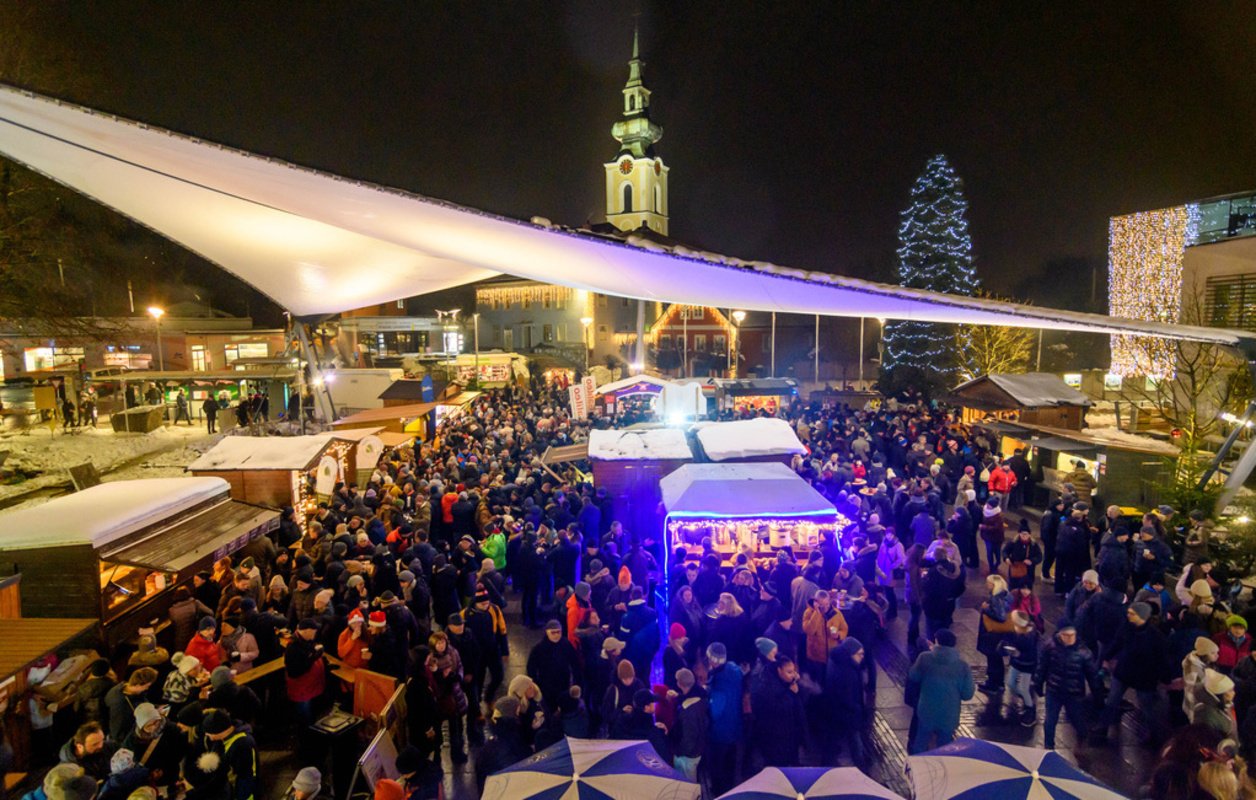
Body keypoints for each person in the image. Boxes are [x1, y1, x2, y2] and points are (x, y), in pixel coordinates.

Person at [1098, 601, 1171, 746]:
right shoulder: (1127, 627)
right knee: (1112, 700)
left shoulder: (1155, 636)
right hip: (1125, 671)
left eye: (1132, 614)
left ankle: (1153, 735)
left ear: (1142, 616)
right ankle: (1102, 728)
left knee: (1146, 707)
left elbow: (1162, 659)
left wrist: (1165, 678)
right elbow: (1117, 643)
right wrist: (1106, 657)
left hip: (1144, 676)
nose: (1128, 615)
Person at [1032, 623, 1100, 750]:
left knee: (1076, 719)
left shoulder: (1083, 651)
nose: (1070, 638)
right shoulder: (1050, 646)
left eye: (1072, 635)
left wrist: (1098, 697)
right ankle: (1048, 748)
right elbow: (1042, 668)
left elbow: (1092, 676)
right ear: (1060, 634)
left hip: (1073, 694)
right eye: (1066, 635)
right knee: (1050, 721)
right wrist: (1038, 685)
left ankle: (1083, 735)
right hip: (1054, 691)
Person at [906, 629, 975, 754]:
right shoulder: (963, 666)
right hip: (949, 714)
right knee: (944, 749)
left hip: (927, 710)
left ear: (936, 641)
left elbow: (913, 676)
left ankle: (916, 767)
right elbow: (967, 694)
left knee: (920, 743)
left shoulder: (924, 658)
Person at [822, 637, 869, 770]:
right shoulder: (847, 672)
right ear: (850, 654)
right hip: (847, 715)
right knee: (855, 742)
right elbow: (849, 699)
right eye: (860, 654)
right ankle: (862, 769)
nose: (862, 657)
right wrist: (859, 711)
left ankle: (826, 763)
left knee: (833, 738)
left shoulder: (837, 661)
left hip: (836, 712)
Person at [751, 658, 807, 767]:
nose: (792, 675)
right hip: (775, 740)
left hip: (791, 737)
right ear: (779, 670)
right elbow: (777, 709)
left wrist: (798, 685)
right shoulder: (767, 686)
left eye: (794, 671)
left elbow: (801, 703)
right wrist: (791, 693)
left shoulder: (789, 682)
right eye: (789, 672)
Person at [526, 620, 581, 712]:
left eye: (558, 632)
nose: (556, 635)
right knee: (550, 708)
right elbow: (531, 668)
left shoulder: (566, 644)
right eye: (553, 632)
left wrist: (576, 680)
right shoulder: (539, 648)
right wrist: (536, 684)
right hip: (547, 686)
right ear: (547, 632)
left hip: (563, 683)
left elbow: (575, 662)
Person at [668, 668, 707, 781]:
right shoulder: (700, 695)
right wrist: (679, 696)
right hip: (698, 748)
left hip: (688, 756)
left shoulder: (687, 710)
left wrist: (678, 752)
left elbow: (688, 740)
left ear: (679, 684)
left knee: (687, 784)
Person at [976, 574, 1012, 695]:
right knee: (998, 659)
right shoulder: (1007, 596)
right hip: (1001, 634)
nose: (987, 585)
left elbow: (1000, 616)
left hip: (992, 635)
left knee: (992, 659)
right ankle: (1000, 684)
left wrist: (985, 609)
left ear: (994, 585)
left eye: (988, 583)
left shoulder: (995, 598)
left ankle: (992, 685)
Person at [801, 590, 847, 681]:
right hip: (816, 656)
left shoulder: (836, 613)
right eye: (822, 604)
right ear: (816, 603)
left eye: (827, 603)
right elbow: (809, 630)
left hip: (832, 655)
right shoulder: (808, 613)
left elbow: (844, 629)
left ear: (830, 601)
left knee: (831, 681)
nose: (825, 607)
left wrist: (839, 635)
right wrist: (817, 612)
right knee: (818, 682)